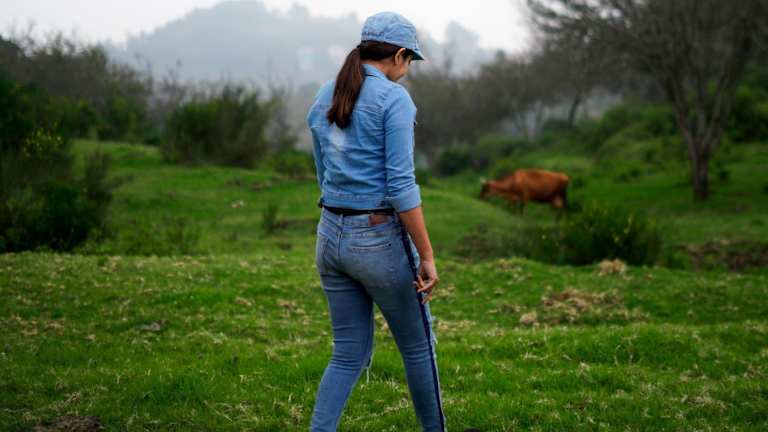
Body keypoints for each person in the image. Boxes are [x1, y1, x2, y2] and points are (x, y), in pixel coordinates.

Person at [306, 11, 446, 432]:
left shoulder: (326, 93)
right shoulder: (394, 100)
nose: (408, 69)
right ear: (399, 55)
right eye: (410, 60)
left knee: (347, 353)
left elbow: (323, 172)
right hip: (378, 240)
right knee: (419, 348)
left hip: (329, 236)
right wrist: (427, 255)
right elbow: (402, 188)